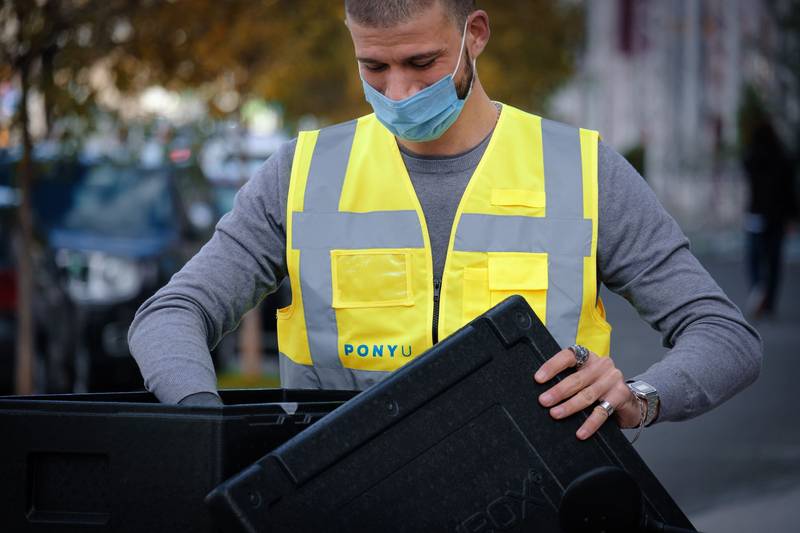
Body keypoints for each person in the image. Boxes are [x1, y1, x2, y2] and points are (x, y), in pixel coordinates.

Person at [129, 0, 761, 442]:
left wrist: (640, 399)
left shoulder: (585, 172)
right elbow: (172, 313)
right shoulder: (300, 175)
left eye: (423, 63)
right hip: (339, 502)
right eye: (374, 67)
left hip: (535, 497)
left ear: (475, 34)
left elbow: (723, 336)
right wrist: (200, 425)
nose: (398, 93)